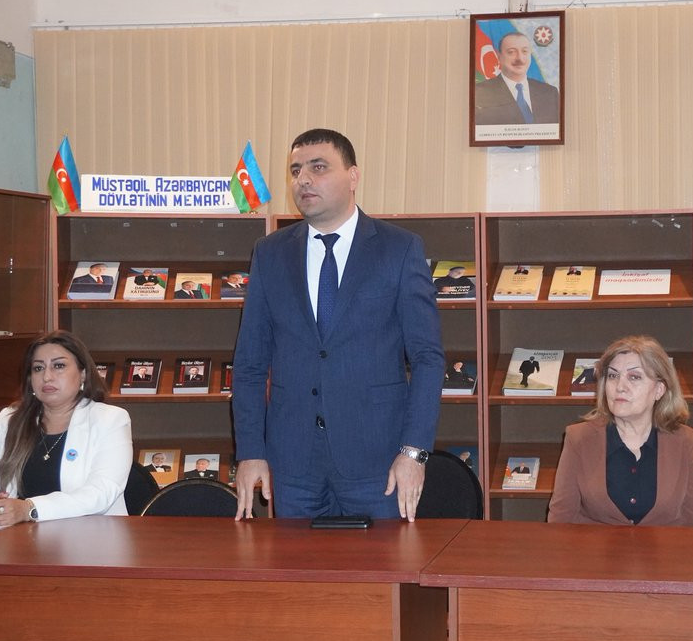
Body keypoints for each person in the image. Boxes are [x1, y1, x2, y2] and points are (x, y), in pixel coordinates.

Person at [232, 128, 443, 521]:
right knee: (296, 563)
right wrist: (250, 451)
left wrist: (414, 452)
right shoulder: (270, 254)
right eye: (296, 170)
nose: (303, 180)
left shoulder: (399, 249)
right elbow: (249, 364)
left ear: (353, 176)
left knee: (382, 562)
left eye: (318, 168)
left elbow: (427, 358)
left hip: (379, 462)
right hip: (292, 463)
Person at [0, 330, 132, 525]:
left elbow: (101, 492)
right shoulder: (11, 419)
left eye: (59, 366)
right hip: (19, 536)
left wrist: (29, 509)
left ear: (83, 374)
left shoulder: (110, 419)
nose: (47, 376)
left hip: (89, 537)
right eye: (38, 368)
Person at [548, 335, 693, 527]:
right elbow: (560, 522)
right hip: (594, 547)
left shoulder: (685, 440)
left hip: (667, 547)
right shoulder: (578, 438)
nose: (620, 387)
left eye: (634, 377)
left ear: (659, 390)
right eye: (613, 376)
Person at [474, 31, 561, 126]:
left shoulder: (550, 92)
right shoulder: (481, 92)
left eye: (524, 51)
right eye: (511, 52)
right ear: (499, 56)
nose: (520, 58)